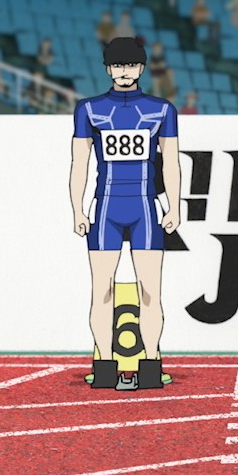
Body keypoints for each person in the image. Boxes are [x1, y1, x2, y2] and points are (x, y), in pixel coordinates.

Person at [70, 36, 182, 391]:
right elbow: (79, 163)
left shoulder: (161, 110)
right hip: (105, 208)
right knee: (102, 290)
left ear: (141, 68)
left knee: (151, 291)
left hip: (145, 208)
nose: (124, 71)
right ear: (108, 69)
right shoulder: (89, 110)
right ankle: (104, 364)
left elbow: (171, 163)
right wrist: (77, 209)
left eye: (131, 65)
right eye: (118, 65)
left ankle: (151, 364)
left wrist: (175, 205)